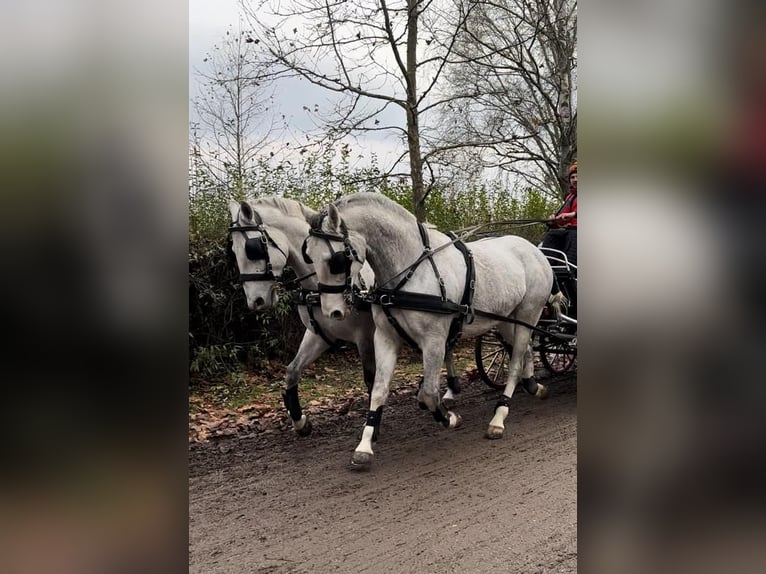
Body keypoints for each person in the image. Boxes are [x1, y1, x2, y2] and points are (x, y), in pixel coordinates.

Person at [541, 161, 577, 268]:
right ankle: (547, 267)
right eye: (572, 177)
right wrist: (553, 221)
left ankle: (568, 268)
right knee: (552, 235)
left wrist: (573, 214)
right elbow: (562, 217)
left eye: (578, 177)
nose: (575, 180)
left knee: (573, 236)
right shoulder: (569, 197)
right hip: (570, 231)